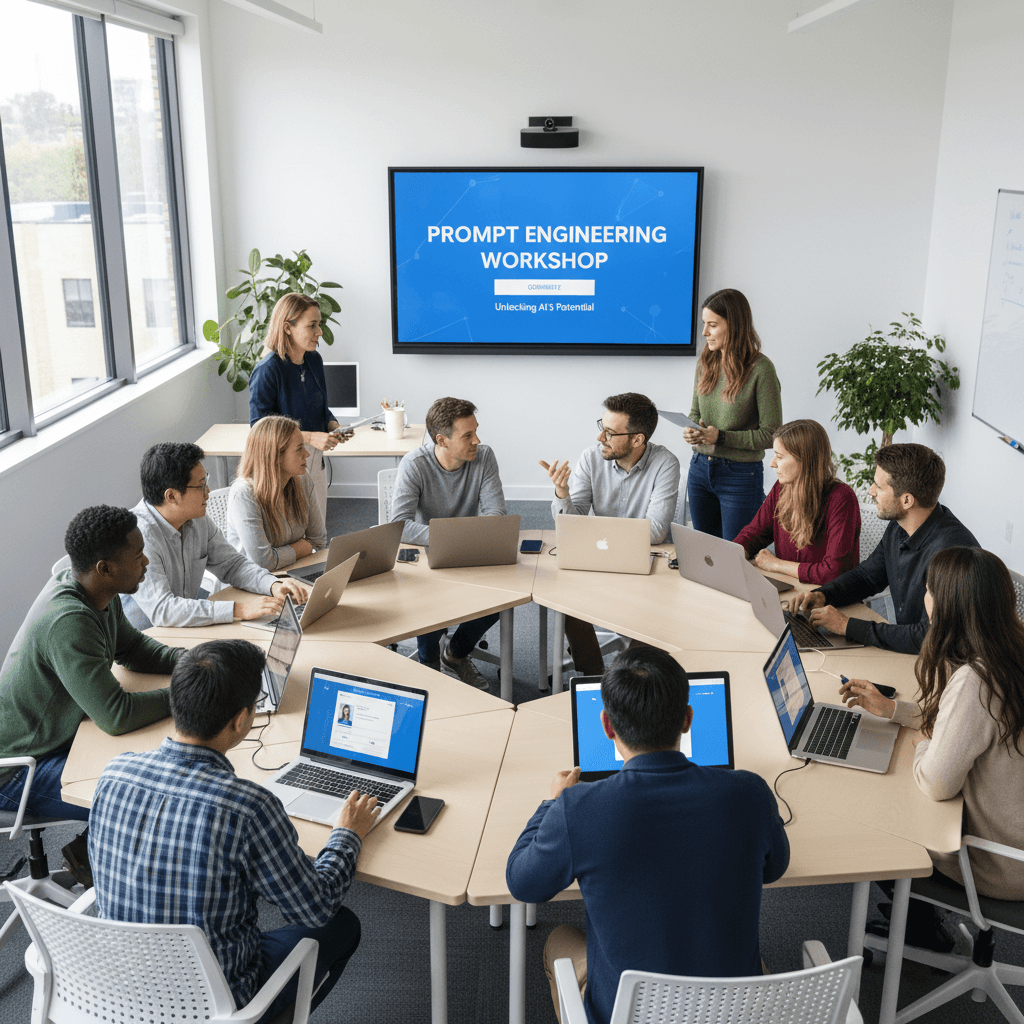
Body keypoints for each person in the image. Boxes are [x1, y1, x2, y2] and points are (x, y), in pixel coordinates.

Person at [88, 639, 379, 1020]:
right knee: (342, 925)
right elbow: (315, 908)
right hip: (212, 1006)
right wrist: (347, 834)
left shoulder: (113, 774)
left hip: (117, 994)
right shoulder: (248, 808)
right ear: (241, 720)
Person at [506, 647, 789, 1024]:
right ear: (687, 720)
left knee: (560, 938)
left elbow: (523, 883)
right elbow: (774, 869)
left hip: (631, 1014)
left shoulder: (579, 807)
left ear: (607, 726)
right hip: (732, 1012)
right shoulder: (750, 792)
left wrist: (552, 803)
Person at [839, 547, 1024, 947]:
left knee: (873, 817)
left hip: (1000, 865)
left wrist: (924, 744)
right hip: (1017, 840)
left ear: (947, 606)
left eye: (929, 590)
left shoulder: (978, 680)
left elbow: (937, 783)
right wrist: (895, 710)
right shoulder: (1012, 653)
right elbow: (970, 727)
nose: (925, 599)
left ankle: (921, 930)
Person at [0, 506, 179, 828]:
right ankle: (91, 851)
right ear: (105, 568)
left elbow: (132, 649)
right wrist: (187, 691)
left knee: (159, 762)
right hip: (19, 769)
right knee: (145, 802)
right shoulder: (69, 620)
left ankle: (86, 848)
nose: (145, 562)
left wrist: (190, 662)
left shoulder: (97, 592)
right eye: (137, 555)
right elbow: (117, 715)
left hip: (58, 738)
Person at [788, 443, 978, 654]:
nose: (871, 491)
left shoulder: (952, 552)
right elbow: (867, 577)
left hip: (945, 662)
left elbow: (928, 637)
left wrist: (846, 626)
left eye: (879, 486)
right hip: (912, 654)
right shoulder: (900, 525)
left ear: (906, 500)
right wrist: (823, 595)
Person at [541, 392, 680, 674]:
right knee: (563, 596)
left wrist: (593, 531)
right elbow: (571, 523)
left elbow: (655, 531)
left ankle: (627, 675)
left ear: (637, 439)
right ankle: (593, 675)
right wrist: (562, 493)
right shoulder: (591, 458)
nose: (599, 438)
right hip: (601, 555)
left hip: (646, 562)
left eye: (610, 433)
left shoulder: (666, 463)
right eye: (601, 427)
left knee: (659, 617)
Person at [125, 442, 308, 628]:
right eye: (201, 485)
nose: (208, 491)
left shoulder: (196, 518)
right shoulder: (139, 535)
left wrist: (273, 585)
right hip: (147, 635)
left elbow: (233, 565)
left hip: (186, 626)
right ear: (171, 496)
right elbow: (163, 610)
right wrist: (240, 610)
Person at [390, 397, 506, 686]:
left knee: (504, 595)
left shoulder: (484, 457)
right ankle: (429, 665)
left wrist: (462, 539)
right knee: (428, 598)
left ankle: (455, 653)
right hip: (428, 556)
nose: (477, 440)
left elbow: (496, 516)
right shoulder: (414, 464)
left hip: (469, 551)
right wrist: (452, 537)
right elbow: (399, 525)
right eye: (468, 435)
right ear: (441, 440)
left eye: (476, 431)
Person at [682, 289, 783, 541]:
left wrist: (721, 437)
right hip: (699, 469)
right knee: (703, 551)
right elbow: (695, 413)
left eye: (712, 325)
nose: (704, 333)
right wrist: (692, 431)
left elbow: (772, 435)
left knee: (735, 553)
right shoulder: (705, 362)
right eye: (704, 324)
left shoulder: (761, 369)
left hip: (740, 476)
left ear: (735, 326)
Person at [248, 292, 350, 519]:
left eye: (319, 324)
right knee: (292, 532)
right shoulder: (267, 370)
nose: (319, 332)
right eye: (312, 325)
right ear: (287, 327)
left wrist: (333, 426)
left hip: (314, 461)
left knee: (318, 528)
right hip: (283, 467)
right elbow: (259, 429)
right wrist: (311, 437)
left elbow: (321, 407)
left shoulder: (314, 359)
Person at [733, 419, 861, 585]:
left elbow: (833, 572)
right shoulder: (781, 488)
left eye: (779, 456)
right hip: (789, 585)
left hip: (826, 594)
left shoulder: (842, 498)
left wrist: (776, 564)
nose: (772, 464)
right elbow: (754, 535)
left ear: (805, 461)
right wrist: (731, 555)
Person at [225, 415, 328, 570]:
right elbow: (263, 562)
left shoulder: (302, 479)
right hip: (252, 579)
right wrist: (302, 547)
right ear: (275, 456)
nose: (307, 454)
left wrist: (278, 556)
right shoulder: (244, 494)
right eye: (299, 448)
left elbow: (318, 540)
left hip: (292, 570)